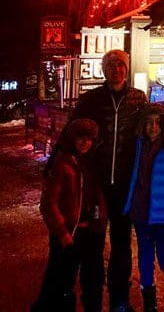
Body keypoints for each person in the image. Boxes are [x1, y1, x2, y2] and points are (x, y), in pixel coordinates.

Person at [48, 49, 148, 312]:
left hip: (125, 185)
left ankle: (119, 299)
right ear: (104, 70)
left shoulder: (138, 99)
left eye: (121, 64)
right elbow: (72, 129)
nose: (116, 69)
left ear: (127, 68)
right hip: (96, 185)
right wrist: (54, 161)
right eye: (111, 65)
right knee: (92, 244)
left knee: (122, 244)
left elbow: (151, 132)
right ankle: (91, 298)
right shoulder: (92, 99)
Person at [32, 118, 107, 312]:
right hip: (69, 234)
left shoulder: (92, 164)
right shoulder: (63, 165)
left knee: (92, 280)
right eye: (81, 138)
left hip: (90, 232)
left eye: (89, 139)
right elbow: (49, 204)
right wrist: (63, 234)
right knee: (62, 282)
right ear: (72, 139)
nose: (85, 143)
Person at [123, 103, 164, 312]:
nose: (153, 127)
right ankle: (149, 304)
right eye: (149, 122)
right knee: (144, 259)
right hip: (141, 214)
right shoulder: (137, 148)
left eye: (157, 122)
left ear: (163, 125)